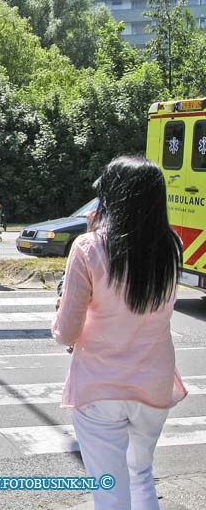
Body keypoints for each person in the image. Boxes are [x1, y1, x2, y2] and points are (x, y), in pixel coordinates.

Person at [53, 156, 187, 509]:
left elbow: (67, 332)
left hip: (101, 386)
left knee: (109, 490)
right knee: (141, 473)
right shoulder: (172, 248)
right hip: (154, 385)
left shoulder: (89, 247)